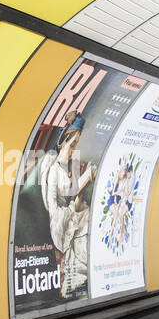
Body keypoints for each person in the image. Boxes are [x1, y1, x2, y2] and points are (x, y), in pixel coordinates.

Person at [41, 125, 93, 299]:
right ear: (63, 143)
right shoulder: (54, 169)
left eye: (76, 145)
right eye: (72, 144)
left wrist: (77, 202)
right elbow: (52, 206)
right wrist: (72, 207)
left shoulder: (72, 167)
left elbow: (75, 194)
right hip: (59, 220)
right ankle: (74, 281)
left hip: (72, 212)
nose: (74, 150)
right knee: (82, 219)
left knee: (87, 215)